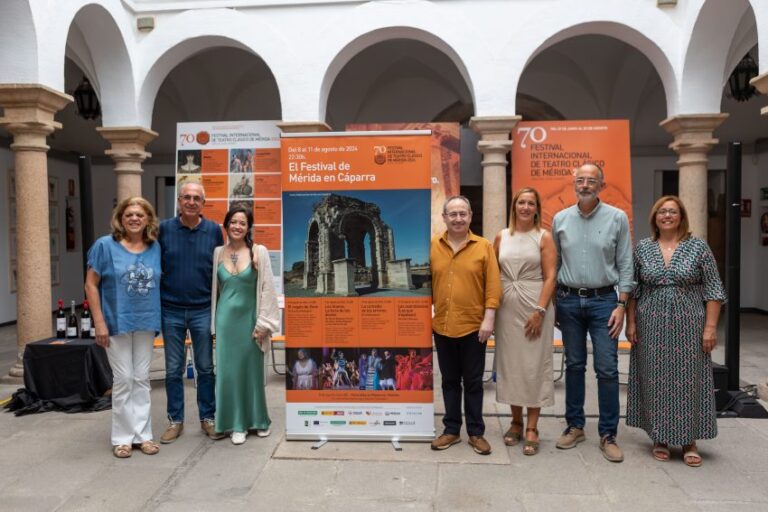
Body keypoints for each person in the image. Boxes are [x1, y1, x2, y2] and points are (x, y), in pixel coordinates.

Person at [626, 196, 725, 467]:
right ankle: (659, 436)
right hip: (651, 323)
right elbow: (634, 290)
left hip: (689, 323)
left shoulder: (697, 247)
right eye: (662, 212)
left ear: (681, 217)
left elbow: (714, 289)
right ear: (655, 217)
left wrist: (710, 328)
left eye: (672, 211)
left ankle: (689, 439)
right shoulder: (644, 248)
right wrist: (631, 323)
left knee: (688, 378)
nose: (667, 216)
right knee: (655, 378)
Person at [552, 162, 634, 463]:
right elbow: (555, 264)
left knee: (608, 368)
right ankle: (575, 426)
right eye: (580, 180)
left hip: (604, 303)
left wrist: (622, 305)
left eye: (591, 180)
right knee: (574, 365)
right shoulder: (560, 219)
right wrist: (554, 304)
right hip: (570, 301)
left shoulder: (617, 218)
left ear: (602, 184)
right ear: (574, 182)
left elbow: (626, 263)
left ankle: (608, 433)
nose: (585, 185)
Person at [84, 197, 162, 458]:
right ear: (120, 217)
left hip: (146, 320)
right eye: (129, 214)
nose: (134, 219)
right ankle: (122, 439)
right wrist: (99, 322)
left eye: (140, 214)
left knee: (141, 378)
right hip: (116, 322)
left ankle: (144, 435)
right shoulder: (105, 246)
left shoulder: (155, 247)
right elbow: (91, 284)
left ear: (148, 219)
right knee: (123, 379)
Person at [430, 195, 501, 455]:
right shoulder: (433, 246)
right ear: (445, 218)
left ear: (470, 216)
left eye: (463, 213)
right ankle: (451, 430)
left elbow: (493, 285)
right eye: (453, 214)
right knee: (449, 381)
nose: (458, 218)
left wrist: (489, 318)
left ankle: (475, 432)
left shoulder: (483, 247)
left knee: (472, 382)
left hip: (474, 326)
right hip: (442, 325)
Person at [159, 183, 225, 443]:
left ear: (203, 203)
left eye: (196, 198)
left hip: (202, 310)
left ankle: (207, 418)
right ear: (179, 201)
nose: (191, 201)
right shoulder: (164, 229)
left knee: (206, 368)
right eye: (186, 197)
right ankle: (175, 421)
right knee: (173, 370)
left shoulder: (213, 231)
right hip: (171, 309)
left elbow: (220, 267)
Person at [494, 187, 556, 456]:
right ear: (514, 206)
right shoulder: (501, 236)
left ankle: (532, 427)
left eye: (531, 203)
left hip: (535, 303)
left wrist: (540, 311)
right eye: (521, 202)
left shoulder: (543, 237)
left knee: (534, 364)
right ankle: (516, 421)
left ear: (536, 208)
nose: (526, 207)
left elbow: (551, 275)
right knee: (512, 365)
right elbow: (492, 272)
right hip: (507, 306)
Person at [211, 205, 280, 445]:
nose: (237, 226)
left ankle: (259, 420)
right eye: (233, 222)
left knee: (252, 371)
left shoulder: (258, 252)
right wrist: (213, 327)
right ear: (226, 225)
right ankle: (234, 424)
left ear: (248, 227)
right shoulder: (217, 252)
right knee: (228, 373)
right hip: (225, 323)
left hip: (251, 322)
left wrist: (264, 322)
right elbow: (216, 293)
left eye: (242, 223)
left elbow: (268, 288)